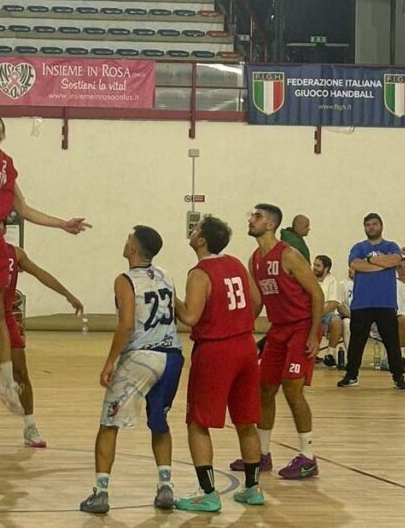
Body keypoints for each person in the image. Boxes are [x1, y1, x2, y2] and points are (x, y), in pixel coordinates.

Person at [0, 74, 91, 417]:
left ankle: (5, 383)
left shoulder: (7, 166)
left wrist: (63, 224)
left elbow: (25, 210)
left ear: (4, 132)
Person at [80, 226, 183, 514]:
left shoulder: (125, 280)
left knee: (109, 423)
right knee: (159, 422)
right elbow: (183, 314)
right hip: (172, 356)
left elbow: (126, 325)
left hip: (142, 356)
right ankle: (166, 486)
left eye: (128, 238)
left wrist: (110, 361)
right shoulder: (166, 276)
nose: (124, 241)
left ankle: (100, 492)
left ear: (133, 248)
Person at [172, 216, 265, 512]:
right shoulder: (236, 263)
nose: (192, 230)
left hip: (215, 350)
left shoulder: (200, 273)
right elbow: (256, 300)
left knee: (198, 423)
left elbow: (189, 317)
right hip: (246, 346)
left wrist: (169, 296)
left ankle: (208, 493)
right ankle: (252, 488)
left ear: (202, 240)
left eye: (196, 229)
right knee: (246, 421)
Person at [241, 203, 323, 480]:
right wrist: (243, 330)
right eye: (252, 215)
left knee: (292, 389)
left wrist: (313, 333)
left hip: (301, 327)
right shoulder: (255, 259)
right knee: (264, 388)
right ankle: (262, 454)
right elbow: (257, 301)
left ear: (271, 224)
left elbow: (317, 294)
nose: (251, 220)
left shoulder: (289, 255)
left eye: (257, 216)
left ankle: (308, 457)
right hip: (278, 329)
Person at [0, 227, 84, 447]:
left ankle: (30, 426)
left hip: (4, 317)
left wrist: (67, 294)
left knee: (21, 371)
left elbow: (41, 274)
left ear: (3, 227)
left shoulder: (14, 253)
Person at [338, 213, 405, 390]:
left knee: (391, 341)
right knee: (356, 342)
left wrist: (369, 260)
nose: (371, 227)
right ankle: (351, 375)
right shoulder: (358, 247)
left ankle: (398, 376)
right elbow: (355, 265)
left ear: (381, 226)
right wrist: (381, 264)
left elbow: (395, 259)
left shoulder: (391, 246)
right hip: (362, 303)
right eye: (367, 225)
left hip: (385, 303)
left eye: (374, 224)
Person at [313, 255, 346, 369]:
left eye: (318, 266)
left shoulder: (332, 281)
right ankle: (310, 354)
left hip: (325, 314)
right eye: (314, 265)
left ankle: (330, 354)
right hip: (309, 314)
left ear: (326, 269)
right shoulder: (309, 278)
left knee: (336, 321)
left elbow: (333, 303)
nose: (314, 268)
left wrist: (318, 315)